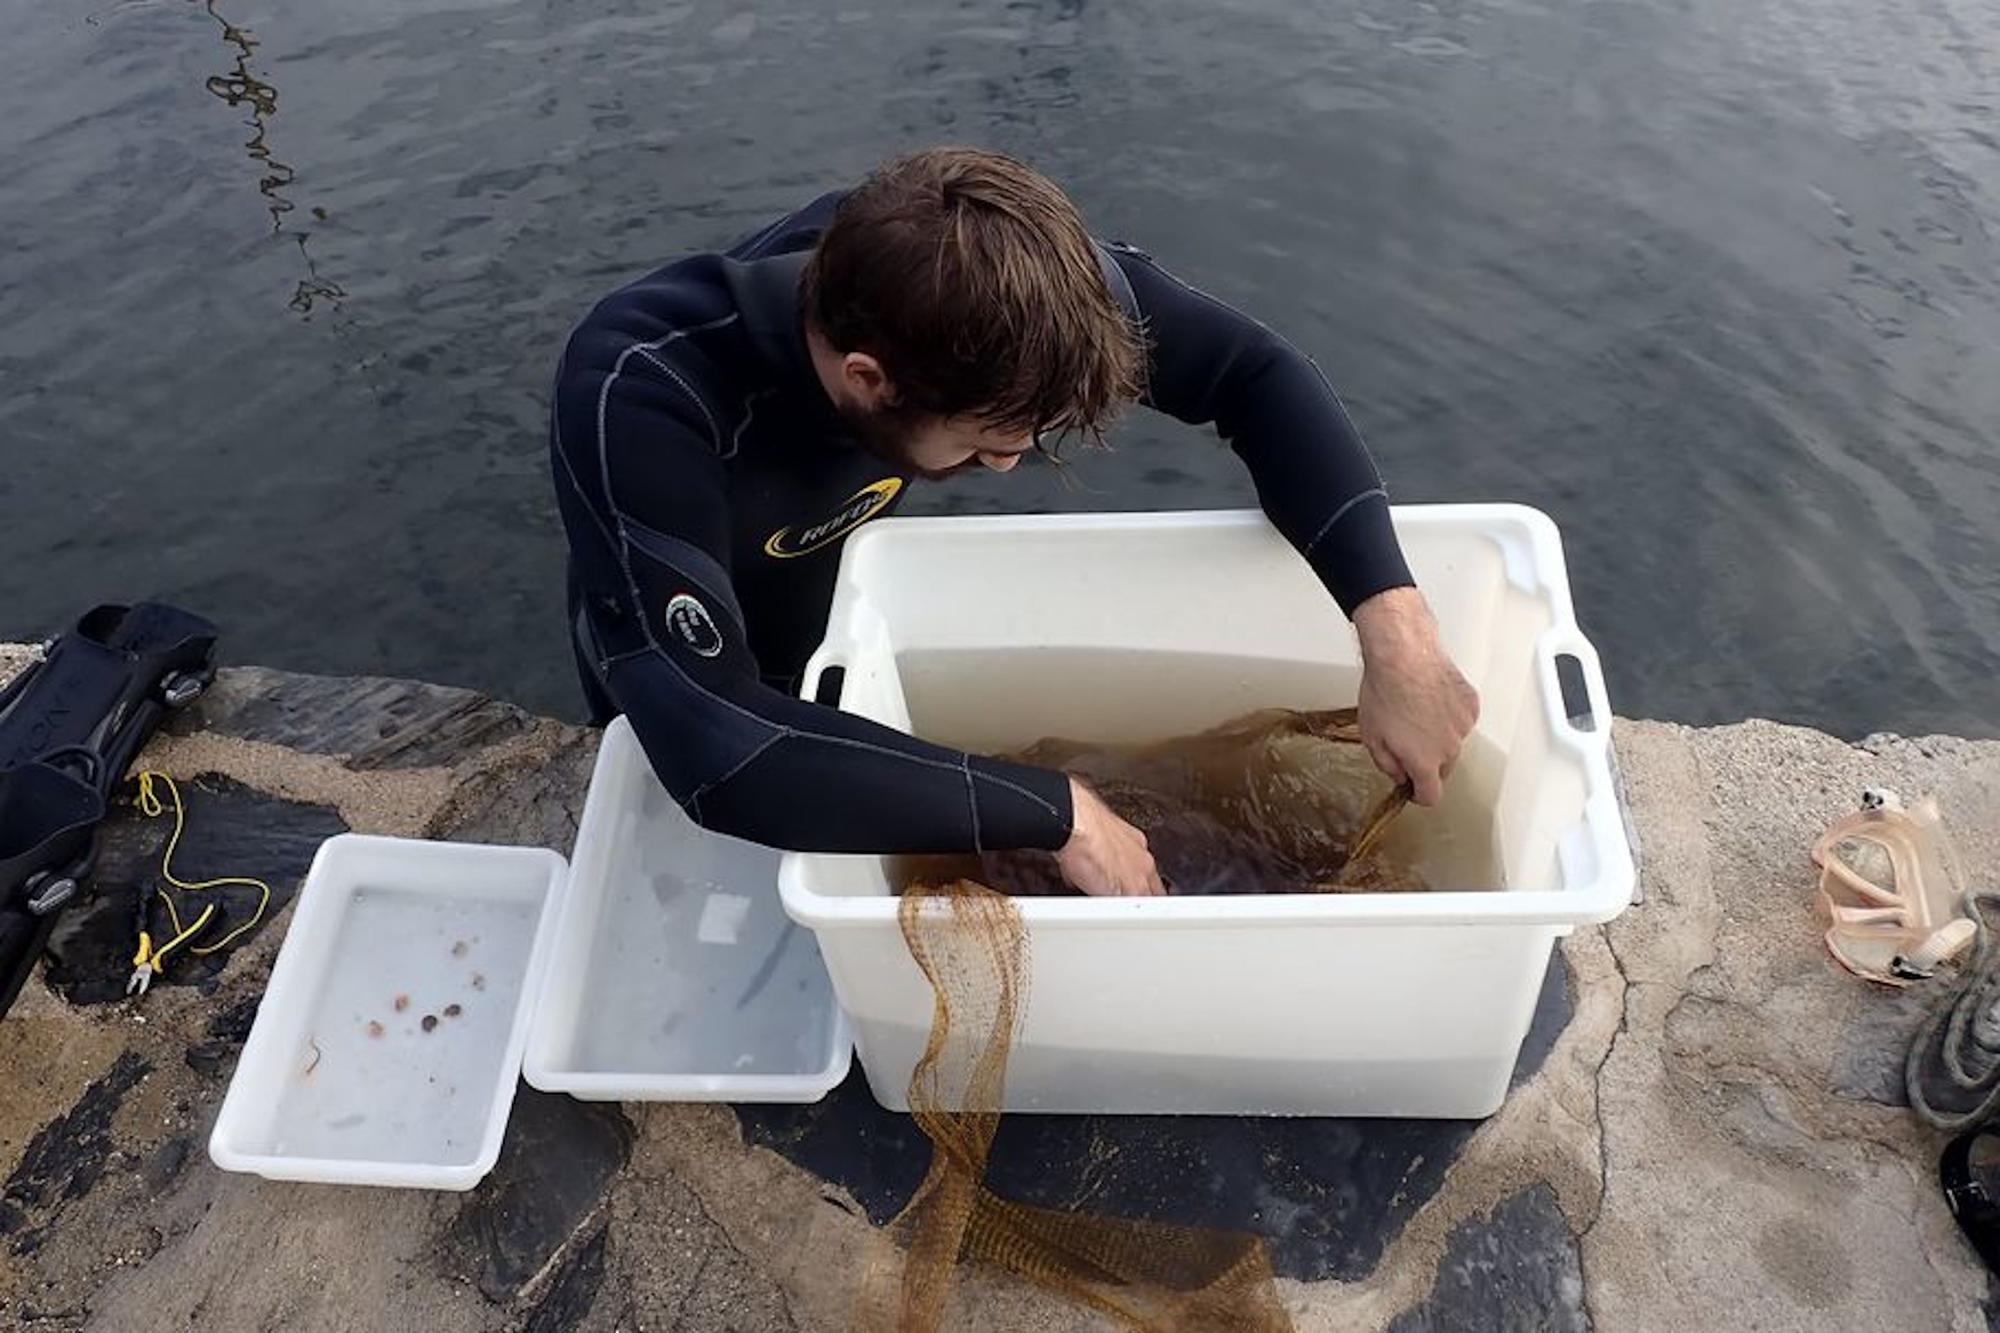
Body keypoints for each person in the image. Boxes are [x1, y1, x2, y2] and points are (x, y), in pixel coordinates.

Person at [549, 147, 1477, 898]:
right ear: (869, 379)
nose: (1007, 463)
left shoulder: (978, 271)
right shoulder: (642, 391)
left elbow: (1253, 374)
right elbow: (721, 750)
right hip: (690, 675)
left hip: (846, 629)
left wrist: (1397, 633)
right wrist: (1054, 809)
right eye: (989, 439)